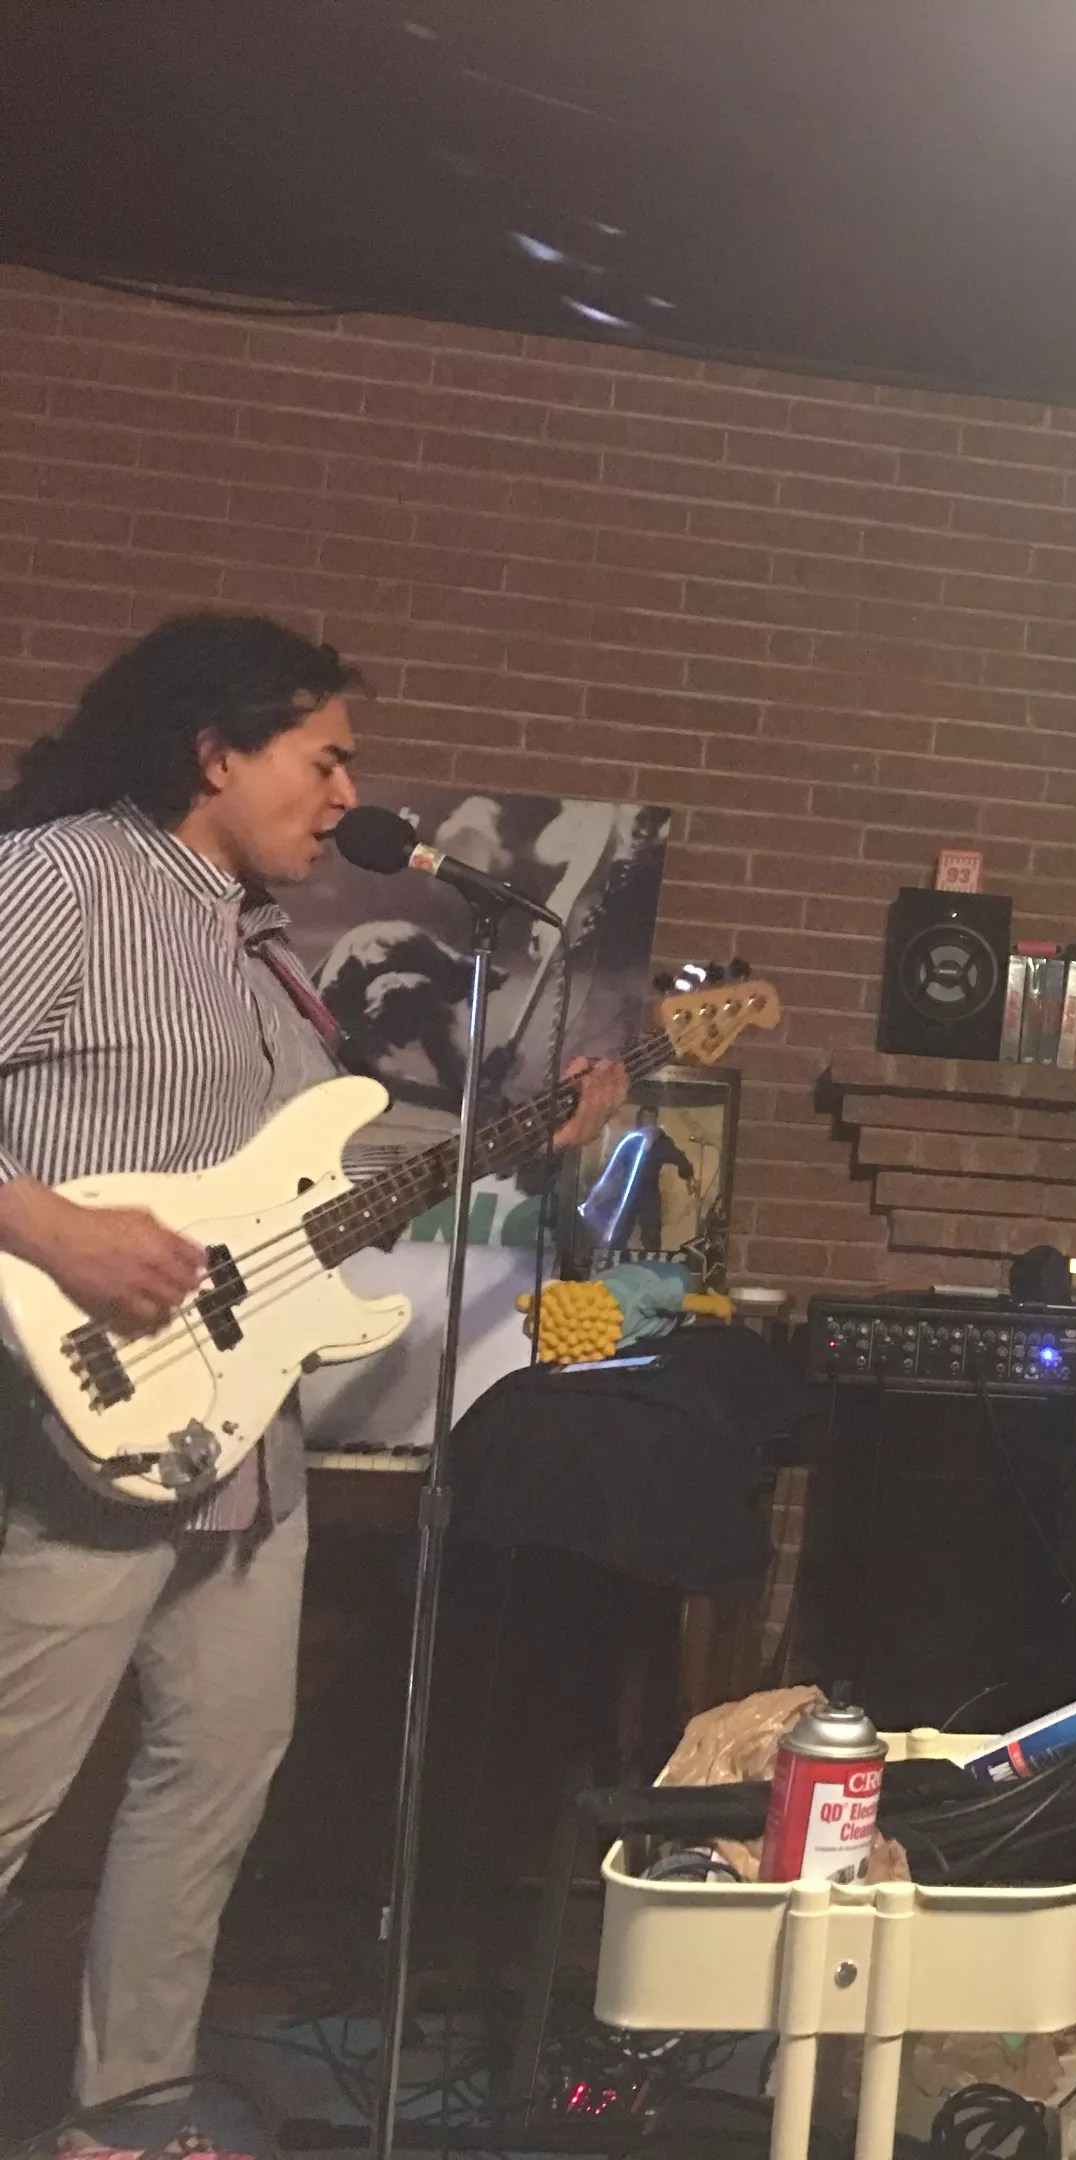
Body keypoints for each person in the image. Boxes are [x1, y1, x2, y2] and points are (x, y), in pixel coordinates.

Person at [0, 614, 624, 2135]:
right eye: (325, 756)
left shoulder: (267, 949)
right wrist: (58, 1230)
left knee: (211, 1788)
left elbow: (297, 1197)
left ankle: (126, 2115)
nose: (349, 793)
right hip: (77, 1425)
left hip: (245, 1442)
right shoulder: (67, 877)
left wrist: (534, 1133)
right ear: (216, 752)